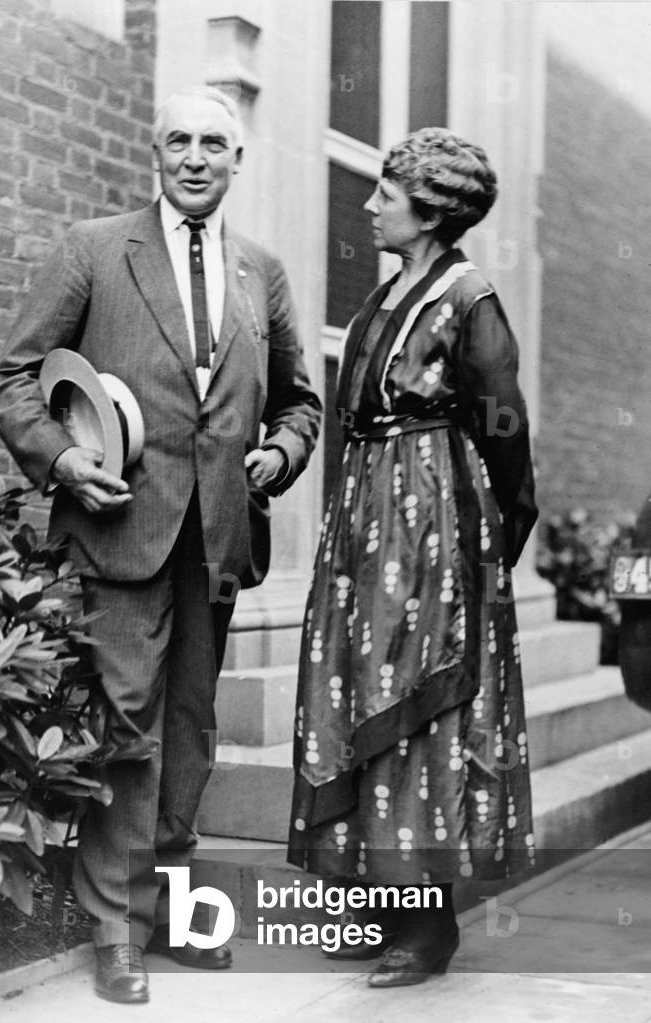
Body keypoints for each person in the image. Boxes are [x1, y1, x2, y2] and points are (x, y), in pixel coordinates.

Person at [0, 86, 321, 1005]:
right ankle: (115, 930)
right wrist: (60, 461)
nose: (197, 157)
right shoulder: (93, 250)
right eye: (180, 141)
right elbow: (16, 376)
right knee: (128, 727)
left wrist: (281, 451)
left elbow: (299, 399)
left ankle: (174, 910)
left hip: (215, 536)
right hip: (120, 526)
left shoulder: (263, 271)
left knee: (190, 730)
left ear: (239, 160)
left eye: (216, 143)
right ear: (156, 154)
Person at [287, 127, 538, 987]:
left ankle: (425, 930)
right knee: (359, 690)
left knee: (415, 702)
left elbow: (505, 431)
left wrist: (487, 553)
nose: (368, 205)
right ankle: (377, 904)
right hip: (367, 515)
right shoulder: (386, 297)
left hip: (432, 519)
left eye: (385, 194)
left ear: (427, 210)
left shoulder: (470, 298)